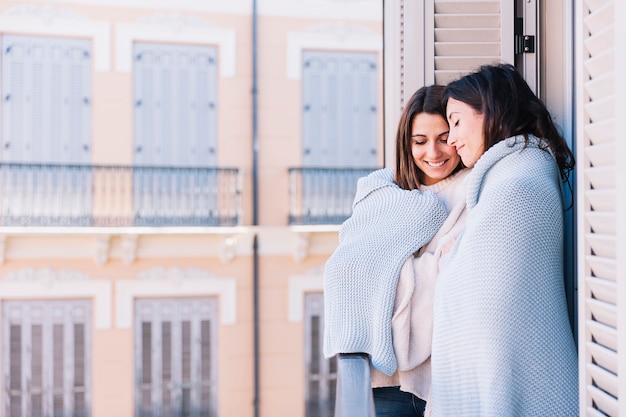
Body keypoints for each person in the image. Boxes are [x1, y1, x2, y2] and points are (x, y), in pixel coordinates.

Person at [429, 63, 578, 416]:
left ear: (490, 109)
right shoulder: (513, 173)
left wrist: (451, 257)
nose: (450, 139)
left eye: (456, 121)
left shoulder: (519, 182)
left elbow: (494, 307)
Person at [323, 85, 469, 417]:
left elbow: (462, 272)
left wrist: (398, 267)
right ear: (406, 143)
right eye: (420, 142)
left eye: (444, 138)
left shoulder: (471, 189)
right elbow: (347, 266)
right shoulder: (381, 192)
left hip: (443, 375)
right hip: (381, 376)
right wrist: (427, 263)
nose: (433, 152)